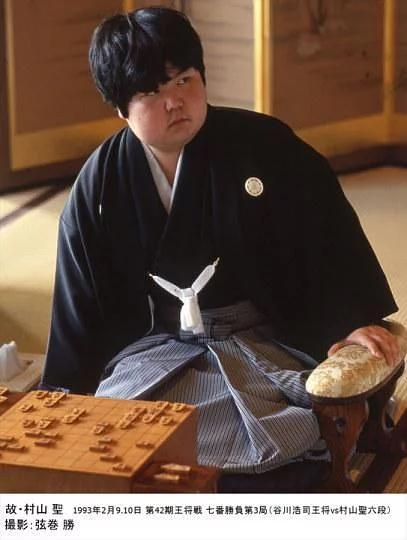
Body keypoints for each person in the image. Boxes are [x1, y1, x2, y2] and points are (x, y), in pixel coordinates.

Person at [40, 7, 400, 491]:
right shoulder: (99, 185)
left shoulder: (267, 146)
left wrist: (346, 320)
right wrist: (65, 394)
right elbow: (80, 300)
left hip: (262, 339)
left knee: (266, 430)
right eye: (151, 92)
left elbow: (326, 242)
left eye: (184, 80)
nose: (175, 102)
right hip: (158, 347)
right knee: (122, 426)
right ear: (120, 108)